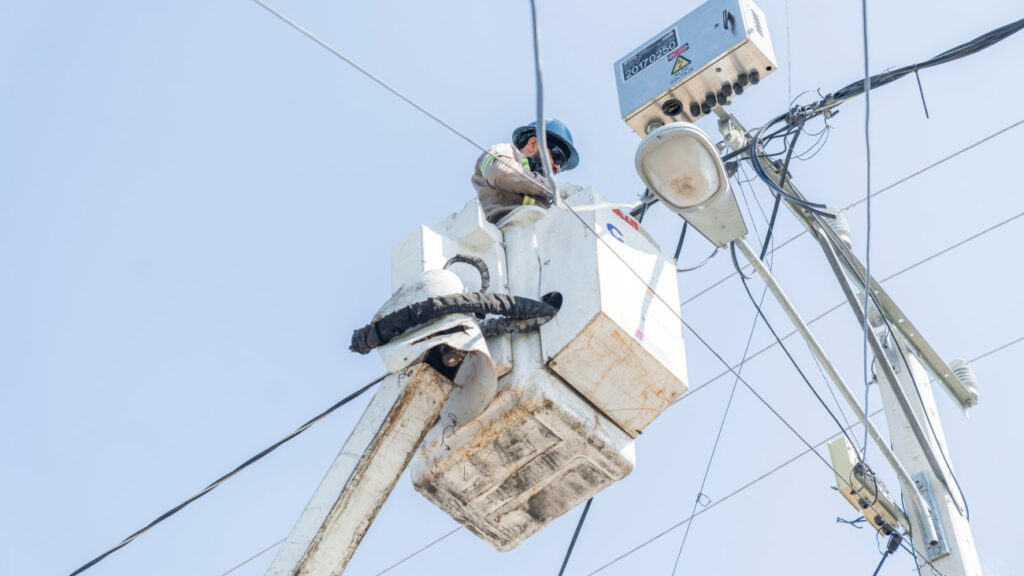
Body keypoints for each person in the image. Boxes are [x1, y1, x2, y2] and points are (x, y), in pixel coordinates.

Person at [471, 118, 580, 224]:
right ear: (532, 144)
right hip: (504, 228)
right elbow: (499, 172)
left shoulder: (546, 196)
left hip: (537, 233)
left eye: (562, 165)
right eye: (557, 156)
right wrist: (553, 188)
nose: (558, 167)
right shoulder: (505, 151)